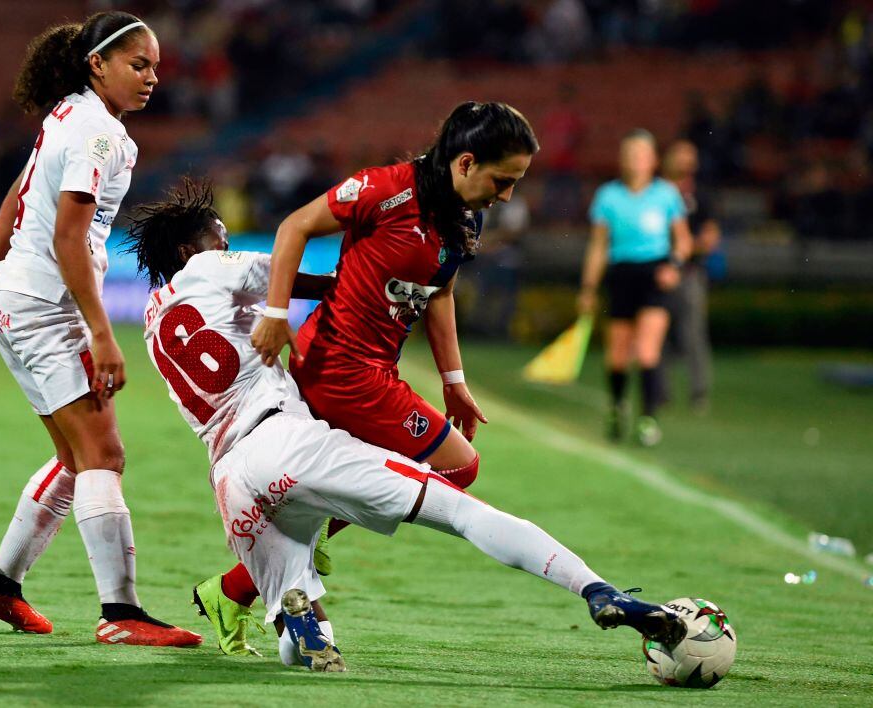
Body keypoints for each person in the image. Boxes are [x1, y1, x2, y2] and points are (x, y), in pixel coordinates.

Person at [126, 177, 687, 670]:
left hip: (231, 480)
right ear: (189, 250)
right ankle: (594, 588)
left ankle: (298, 614)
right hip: (286, 440)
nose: (224, 244)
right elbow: (290, 275)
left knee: (305, 638)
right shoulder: (206, 266)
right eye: (217, 237)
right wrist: (373, 273)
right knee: (462, 508)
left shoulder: (153, 322)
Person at [197, 102, 540, 652]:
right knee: (458, 465)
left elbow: (441, 290)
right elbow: (295, 226)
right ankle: (257, 574)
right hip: (339, 370)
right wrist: (276, 313)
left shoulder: (464, 215)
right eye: (504, 181)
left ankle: (238, 589)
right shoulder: (385, 190)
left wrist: (454, 379)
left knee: (384, 478)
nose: (507, 196)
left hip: (372, 370)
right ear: (466, 162)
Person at [0, 12, 199, 647]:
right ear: (96, 64)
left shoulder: (68, 115)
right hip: (46, 308)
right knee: (103, 454)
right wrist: (103, 335)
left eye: (156, 68)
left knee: (75, 459)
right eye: (139, 65)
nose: (151, 78)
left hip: (18, 301)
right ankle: (121, 614)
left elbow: (19, 194)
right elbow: (69, 237)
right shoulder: (97, 135)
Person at [577, 130, 691, 447]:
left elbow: (683, 241)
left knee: (646, 351)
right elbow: (598, 246)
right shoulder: (608, 196)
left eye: (641, 154)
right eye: (630, 154)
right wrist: (588, 287)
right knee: (617, 356)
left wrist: (675, 266)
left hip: (655, 275)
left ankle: (648, 418)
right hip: (621, 275)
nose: (635, 161)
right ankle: (616, 408)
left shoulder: (666, 194)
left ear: (653, 160)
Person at [660, 140, 720, 412]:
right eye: (682, 155)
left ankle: (699, 392)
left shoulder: (700, 194)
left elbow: (710, 235)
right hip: (658, 272)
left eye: (691, 156)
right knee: (658, 332)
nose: (687, 162)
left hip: (689, 273)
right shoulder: (657, 192)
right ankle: (660, 390)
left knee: (693, 334)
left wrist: (687, 248)